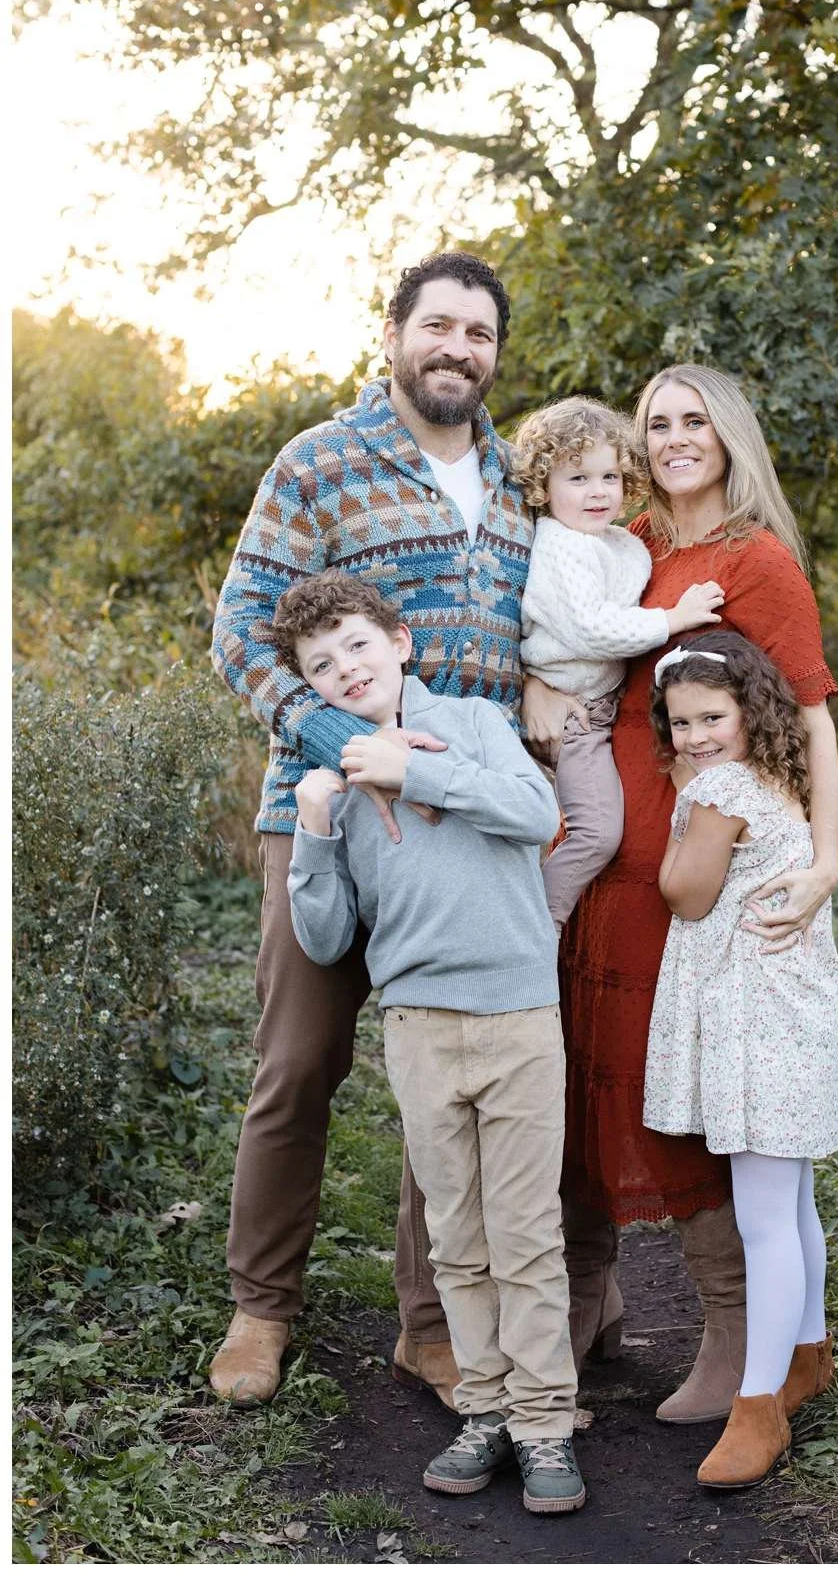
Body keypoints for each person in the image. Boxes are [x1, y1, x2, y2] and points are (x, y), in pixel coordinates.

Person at [208, 251, 531, 1411]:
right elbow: (242, 627)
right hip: (326, 811)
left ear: (495, 354)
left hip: (463, 826)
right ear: (394, 334)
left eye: (479, 334)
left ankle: (431, 1322)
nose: (457, 348)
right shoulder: (319, 462)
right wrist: (332, 744)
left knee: (442, 1071)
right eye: (437, 325)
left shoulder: (520, 479)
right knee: (298, 1060)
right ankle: (262, 1308)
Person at [524, 363, 838, 1426]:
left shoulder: (753, 558)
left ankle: (736, 1329)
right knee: (597, 1073)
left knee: (698, 1094)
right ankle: (582, 1303)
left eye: (691, 419)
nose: (670, 438)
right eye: (655, 422)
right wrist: (540, 685)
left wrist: (828, 858)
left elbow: (813, 715)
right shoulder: (631, 540)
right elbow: (579, 636)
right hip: (603, 843)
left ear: (729, 432)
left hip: (697, 864)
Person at [274, 570, 586, 1514]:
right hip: (418, 1028)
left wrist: (417, 771)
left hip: (518, 1017)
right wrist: (317, 829)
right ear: (314, 687)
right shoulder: (328, 783)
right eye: (322, 666)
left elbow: (538, 818)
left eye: (359, 646)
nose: (346, 670)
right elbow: (329, 937)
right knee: (457, 1235)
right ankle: (486, 1407)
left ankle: (544, 1424)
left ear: (401, 643)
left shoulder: (477, 725)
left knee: (526, 1233)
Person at [644, 631, 838, 1487]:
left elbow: (684, 895)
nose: (693, 735)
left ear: (747, 712)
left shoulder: (720, 786)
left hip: (758, 1020)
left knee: (764, 1214)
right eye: (680, 721)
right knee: (790, 1197)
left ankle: (758, 1405)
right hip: (789, 1007)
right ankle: (807, 1351)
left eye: (711, 716)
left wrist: (682, 805)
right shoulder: (781, 775)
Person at [511, 396, 725, 930]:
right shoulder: (563, 547)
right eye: (578, 479)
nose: (598, 491)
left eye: (609, 476)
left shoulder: (614, 542)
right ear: (543, 487)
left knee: (554, 828)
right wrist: (673, 619)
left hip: (596, 706)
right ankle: (540, 926)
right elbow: (592, 628)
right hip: (573, 715)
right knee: (597, 831)